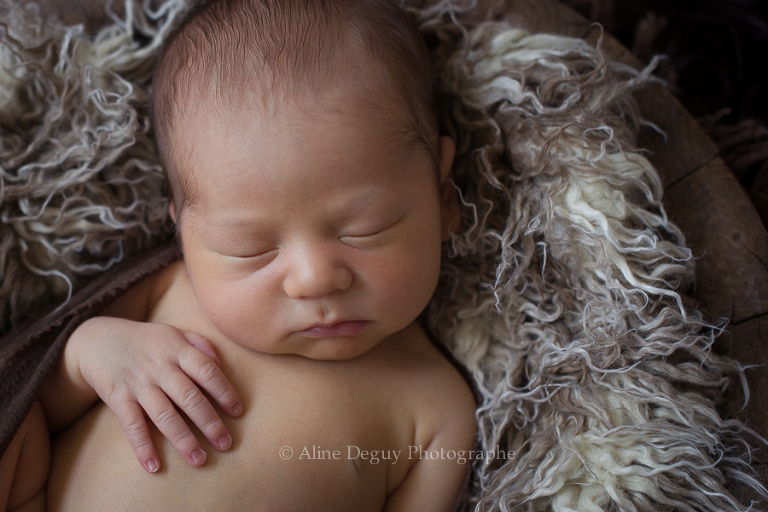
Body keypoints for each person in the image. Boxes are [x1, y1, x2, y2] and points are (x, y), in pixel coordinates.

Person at [0, 0, 478, 510]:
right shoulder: (174, 289)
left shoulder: (439, 411)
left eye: (366, 229)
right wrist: (92, 351)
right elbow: (34, 389)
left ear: (443, 198)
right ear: (183, 233)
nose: (314, 279)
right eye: (249, 248)